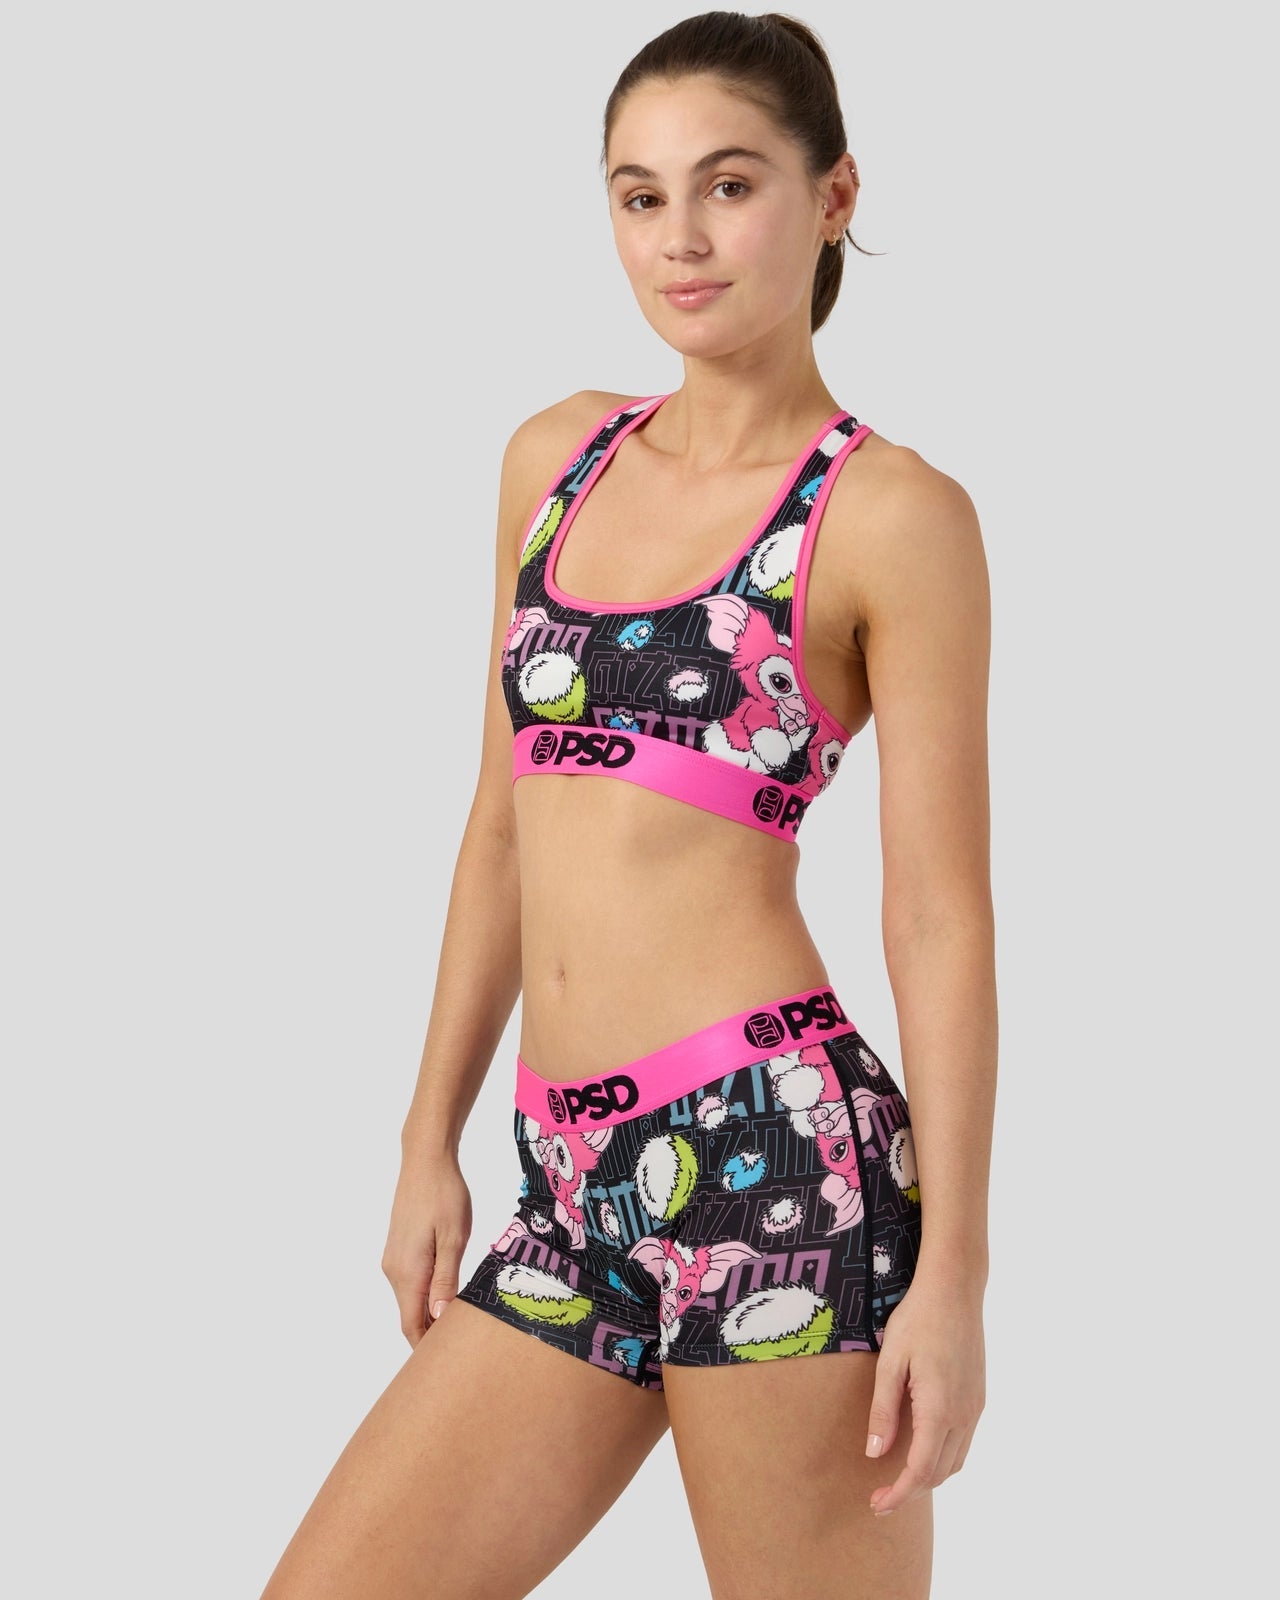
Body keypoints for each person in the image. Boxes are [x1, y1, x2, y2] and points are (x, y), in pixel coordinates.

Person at [260, 11, 995, 1599]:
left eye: (729, 186)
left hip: (777, 1168)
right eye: (640, 195)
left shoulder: (889, 515)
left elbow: (937, 914)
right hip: (564, 1178)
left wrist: (954, 1274)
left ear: (834, 195)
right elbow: (498, 829)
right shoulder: (556, 457)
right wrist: (428, 1134)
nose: (681, 239)